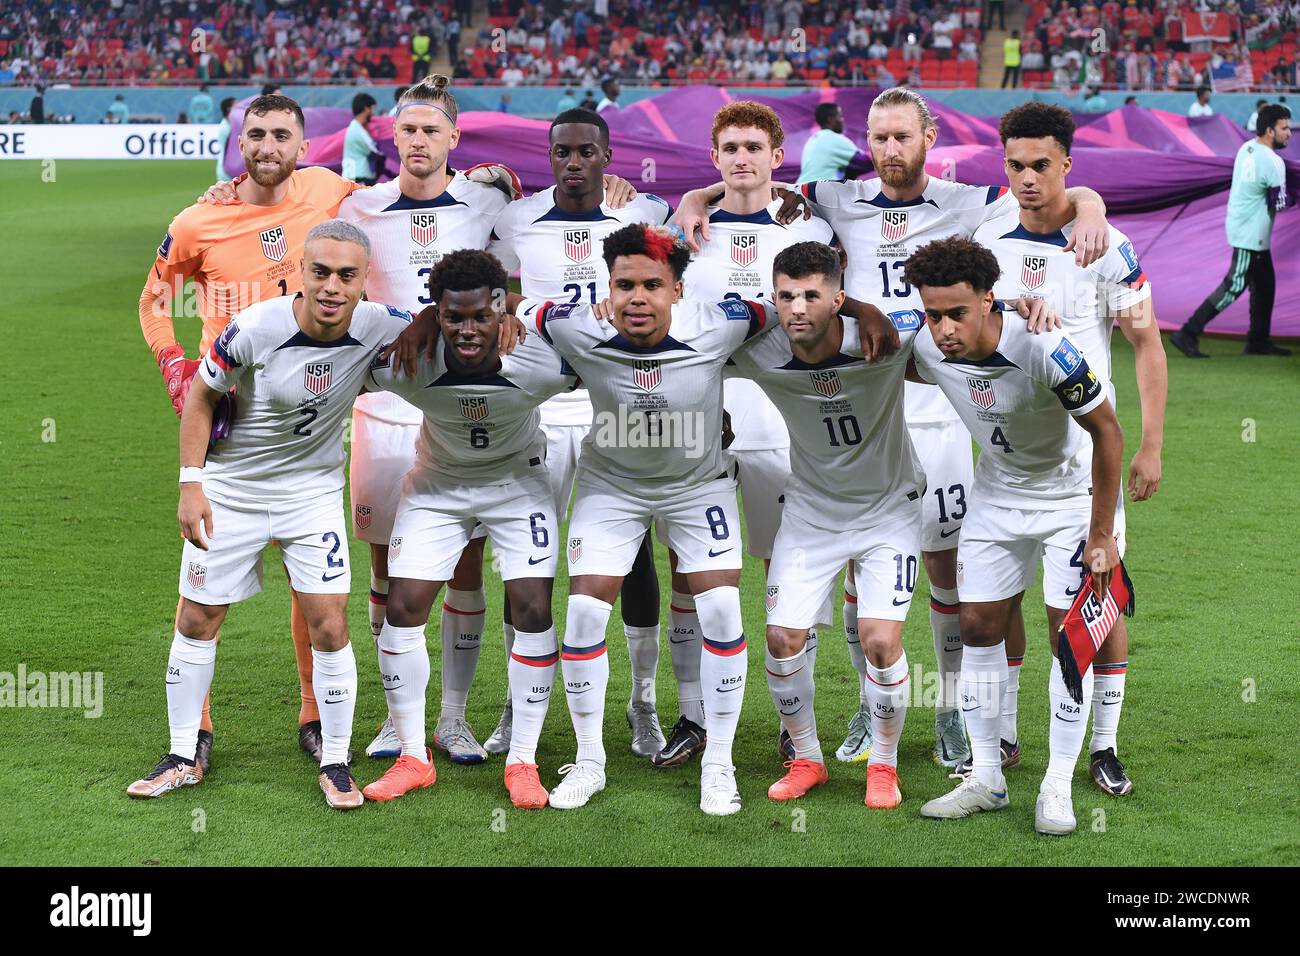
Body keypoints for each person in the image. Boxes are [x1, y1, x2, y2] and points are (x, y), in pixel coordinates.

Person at [675, 87, 1112, 770]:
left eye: (903, 137)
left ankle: (949, 713)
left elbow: (1048, 191)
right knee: (857, 565)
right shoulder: (834, 199)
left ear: (930, 136)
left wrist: (1091, 203)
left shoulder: (968, 201)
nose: (889, 150)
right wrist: (695, 198)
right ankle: (866, 702)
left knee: (947, 569)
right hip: (865, 399)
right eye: (878, 137)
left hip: (942, 406)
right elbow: (751, 176)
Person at [127, 219, 412, 809]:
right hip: (232, 490)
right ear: (301, 273)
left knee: (330, 623)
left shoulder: (381, 325)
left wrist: (508, 309)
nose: (332, 287)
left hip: (310, 497)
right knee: (198, 619)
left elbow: (451, 322)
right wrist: (191, 485)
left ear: (363, 281)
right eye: (321, 272)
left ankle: (335, 763)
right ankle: (183, 755)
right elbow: (202, 397)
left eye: (347, 275)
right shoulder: (256, 327)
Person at [139, 94, 366, 771]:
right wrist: (173, 364)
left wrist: (490, 173)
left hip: (309, 421)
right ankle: (196, 733)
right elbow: (154, 298)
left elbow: (406, 195)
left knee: (314, 588)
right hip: (227, 421)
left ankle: (315, 719)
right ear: (240, 141)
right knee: (203, 585)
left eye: (282, 136)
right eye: (257, 134)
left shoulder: (330, 191)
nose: (268, 146)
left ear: (304, 144)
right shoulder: (198, 219)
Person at [972, 102, 1167, 798]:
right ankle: (1000, 734)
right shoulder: (988, 230)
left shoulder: (1106, 246)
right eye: (1016, 164)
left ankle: (1104, 746)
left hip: (1090, 462)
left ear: (1067, 165)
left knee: (1094, 602)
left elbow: (1146, 342)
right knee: (996, 602)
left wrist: (1150, 444)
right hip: (1007, 459)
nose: (1028, 177)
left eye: (1042, 165)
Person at [906, 236, 1124, 836]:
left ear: (988, 299)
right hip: (997, 498)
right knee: (975, 623)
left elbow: (1108, 433)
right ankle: (985, 777)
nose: (944, 328)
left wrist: (1101, 532)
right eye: (933, 314)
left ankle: (1056, 784)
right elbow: (870, 341)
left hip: (1069, 501)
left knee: (1066, 637)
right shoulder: (926, 345)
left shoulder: (1045, 343)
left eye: (957, 313)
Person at [337, 73, 518, 764]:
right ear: (392, 133)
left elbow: (513, 277)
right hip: (382, 406)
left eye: (431, 130)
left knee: (465, 563)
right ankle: (395, 718)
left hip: (464, 402)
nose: (418, 141)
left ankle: (454, 718)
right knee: (387, 569)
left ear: (453, 138)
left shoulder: (488, 200)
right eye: (407, 129)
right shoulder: (360, 205)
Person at [488, 109, 673, 760]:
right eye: (562, 151)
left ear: (606, 155)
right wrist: (506, 311)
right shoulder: (516, 219)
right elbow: (487, 281)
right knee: (525, 561)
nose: (573, 162)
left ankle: (643, 706)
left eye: (586, 152)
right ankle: (517, 705)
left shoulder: (640, 215)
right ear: (549, 153)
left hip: (615, 409)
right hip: (539, 412)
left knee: (635, 555)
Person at [362, 250, 577, 809]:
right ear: (436, 312)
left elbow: (613, 367)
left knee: (532, 608)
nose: (468, 329)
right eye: (453, 317)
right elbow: (341, 370)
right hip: (437, 489)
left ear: (501, 308)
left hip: (518, 486)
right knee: (403, 606)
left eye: (481, 316)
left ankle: (523, 761)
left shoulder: (538, 362)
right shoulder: (406, 363)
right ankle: (414, 755)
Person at [728, 242, 924, 809]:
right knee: (782, 638)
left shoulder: (883, 335)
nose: (797, 308)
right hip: (812, 515)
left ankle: (883, 765)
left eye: (812, 296)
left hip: (889, 511)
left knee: (881, 641)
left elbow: (960, 310)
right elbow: (688, 350)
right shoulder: (761, 348)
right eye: (786, 295)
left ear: (838, 298)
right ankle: (808, 757)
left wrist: (1029, 308)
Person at [673, 101, 833, 767]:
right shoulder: (684, 229)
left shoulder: (807, 228)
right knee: (692, 571)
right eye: (729, 148)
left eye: (753, 147)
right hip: (699, 423)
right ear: (714, 159)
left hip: (778, 423)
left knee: (784, 572)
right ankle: (693, 714)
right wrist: (692, 200)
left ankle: (791, 722)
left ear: (777, 157)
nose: (741, 158)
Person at [1173, 104, 1291, 357]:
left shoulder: (1245, 149)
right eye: (1284, 128)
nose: (1289, 133)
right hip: (1252, 235)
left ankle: (1258, 341)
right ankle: (1188, 332)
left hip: (1242, 227)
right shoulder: (1274, 161)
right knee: (1234, 286)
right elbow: (1278, 204)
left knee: (1265, 285)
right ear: (1270, 131)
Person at [798, 103, 868, 184]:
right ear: (830, 119)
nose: (842, 120)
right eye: (840, 116)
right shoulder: (834, 138)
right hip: (817, 191)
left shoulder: (811, 140)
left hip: (801, 189)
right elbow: (865, 162)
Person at [343, 94, 382, 185]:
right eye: (372, 109)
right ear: (366, 109)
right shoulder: (358, 131)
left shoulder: (355, 128)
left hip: (355, 176)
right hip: (359, 178)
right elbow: (373, 151)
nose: (373, 113)